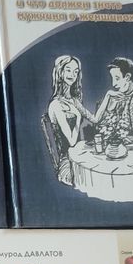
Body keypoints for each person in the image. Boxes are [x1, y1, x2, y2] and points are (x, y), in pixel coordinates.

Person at [46, 55, 95, 185]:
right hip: (68, 162)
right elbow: (72, 142)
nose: (72, 75)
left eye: (75, 71)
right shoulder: (56, 104)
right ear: (60, 72)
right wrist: (78, 117)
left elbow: (94, 119)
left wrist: (109, 97)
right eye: (68, 70)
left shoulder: (74, 100)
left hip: (81, 154)